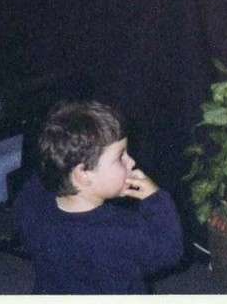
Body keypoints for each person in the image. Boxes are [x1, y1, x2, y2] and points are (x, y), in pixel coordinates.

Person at [15, 100, 183, 295]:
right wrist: (156, 199)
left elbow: (34, 186)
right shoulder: (122, 230)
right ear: (83, 174)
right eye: (120, 157)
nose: (131, 161)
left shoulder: (34, 206)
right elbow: (170, 251)